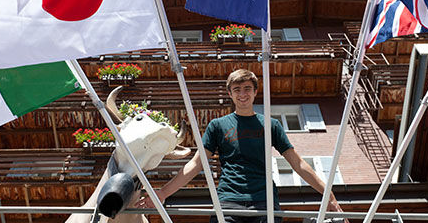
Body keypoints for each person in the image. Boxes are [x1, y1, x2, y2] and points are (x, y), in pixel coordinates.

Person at [137, 69, 345, 222]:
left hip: (265, 202)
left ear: (255, 92)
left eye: (247, 89)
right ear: (230, 94)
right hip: (228, 201)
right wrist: (162, 193)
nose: (242, 94)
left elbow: (298, 164)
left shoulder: (271, 125)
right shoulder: (217, 125)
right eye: (237, 89)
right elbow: (197, 164)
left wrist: (330, 196)